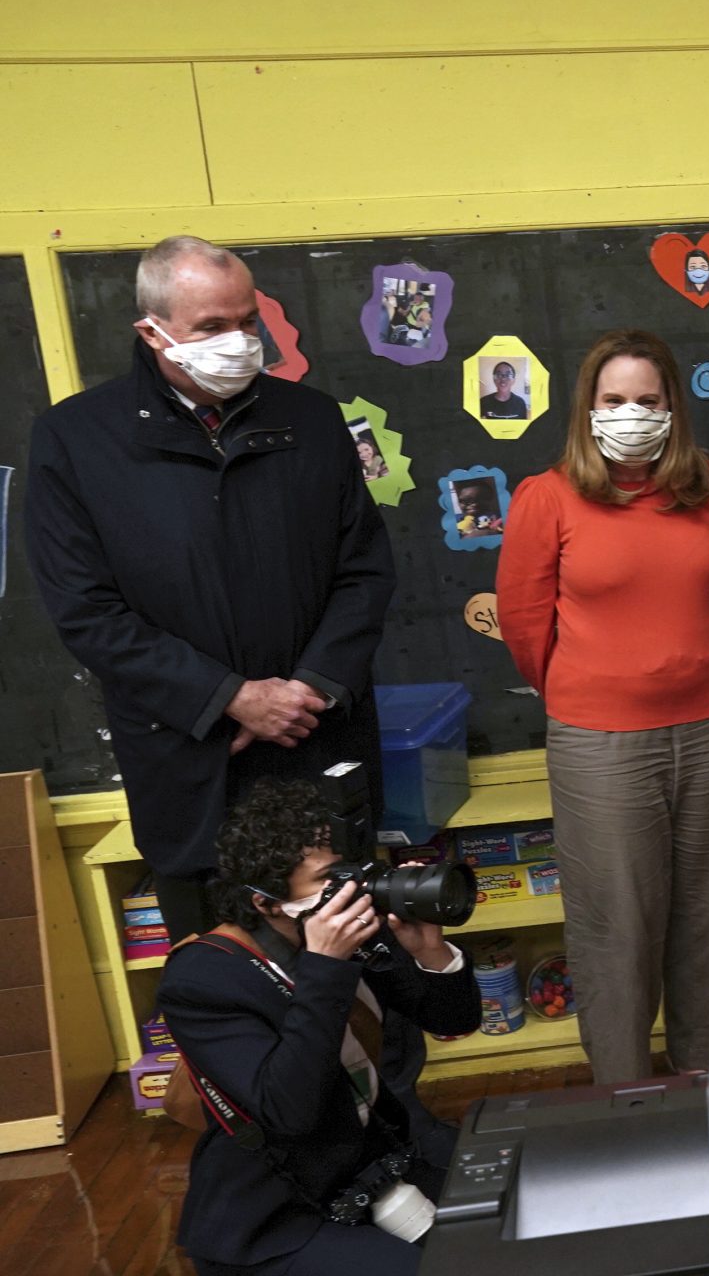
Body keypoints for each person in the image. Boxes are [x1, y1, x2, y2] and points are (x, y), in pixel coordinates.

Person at [26, 235, 395, 942]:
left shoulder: (312, 422)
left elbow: (365, 572)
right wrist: (230, 698)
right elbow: (86, 612)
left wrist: (308, 689)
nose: (239, 341)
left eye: (247, 320)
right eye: (212, 328)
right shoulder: (76, 441)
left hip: (316, 747)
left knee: (351, 968)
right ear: (152, 331)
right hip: (191, 765)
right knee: (225, 989)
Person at [496, 329, 709, 1085]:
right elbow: (523, 622)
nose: (632, 414)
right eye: (615, 401)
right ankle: (626, 1092)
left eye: (649, 400)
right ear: (588, 409)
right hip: (599, 743)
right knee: (618, 923)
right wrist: (596, 686)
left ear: (673, 407)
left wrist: (687, 664)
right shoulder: (547, 498)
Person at [158, 780, 480, 1276]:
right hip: (279, 1210)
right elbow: (290, 1110)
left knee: (507, 1224)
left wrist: (427, 950)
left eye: (354, 871)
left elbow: (454, 1020)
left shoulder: (355, 928)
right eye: (331, 879)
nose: (353, 890)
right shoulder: (204, 978)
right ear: (266, 902)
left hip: (372, 1165)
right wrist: (325, 966)